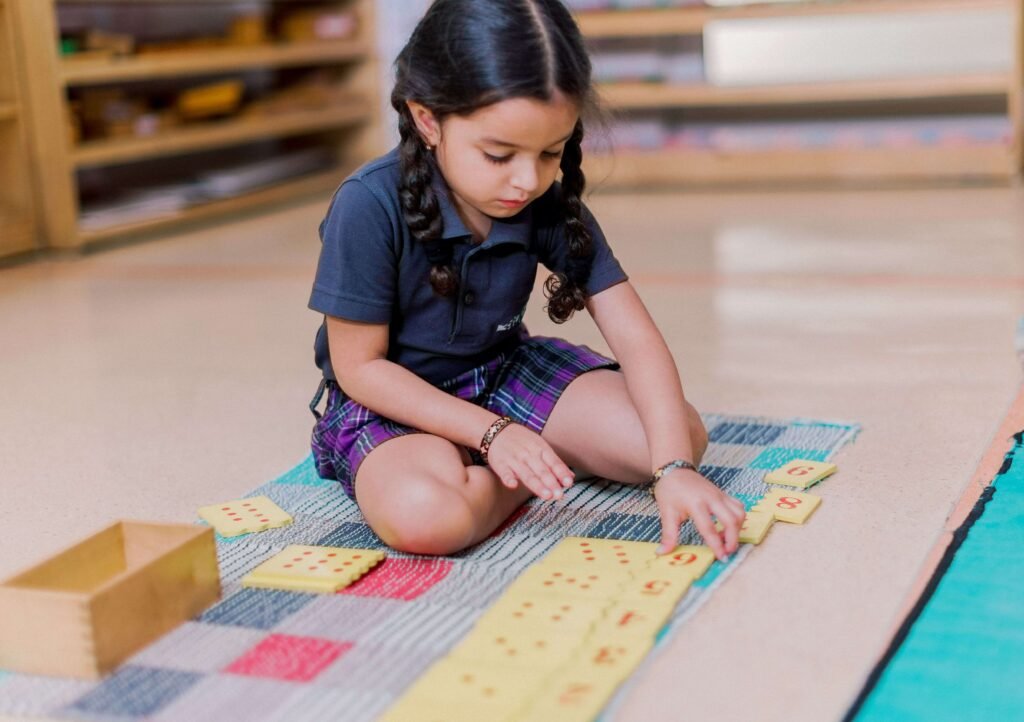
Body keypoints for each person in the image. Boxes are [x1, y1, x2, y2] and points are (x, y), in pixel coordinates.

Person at [307, 0, 745, 560]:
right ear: (428, 120)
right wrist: (492, 434)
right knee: (426, 517)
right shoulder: (367, 204)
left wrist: (675, 468)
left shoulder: (546, 203)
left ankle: (513, 464)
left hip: (503, 373)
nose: (526, 180)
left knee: (677, 434)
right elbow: (360, 370)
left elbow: (635, 338)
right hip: (395, 401)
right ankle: (522, 468)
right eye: (498, 155)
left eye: (549, 153)